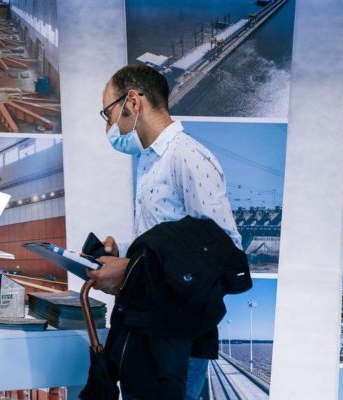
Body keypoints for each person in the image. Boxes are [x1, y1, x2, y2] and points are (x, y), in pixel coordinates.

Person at [87, 64, 243, 400]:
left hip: (178, 343)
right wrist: (126, 253)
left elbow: (225, 252)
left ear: (132, 102)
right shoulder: (150, 160)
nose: (108, 126)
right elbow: (172, 245)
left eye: (108, 113)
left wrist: (131, 270)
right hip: (149, 329)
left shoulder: (187, 157)